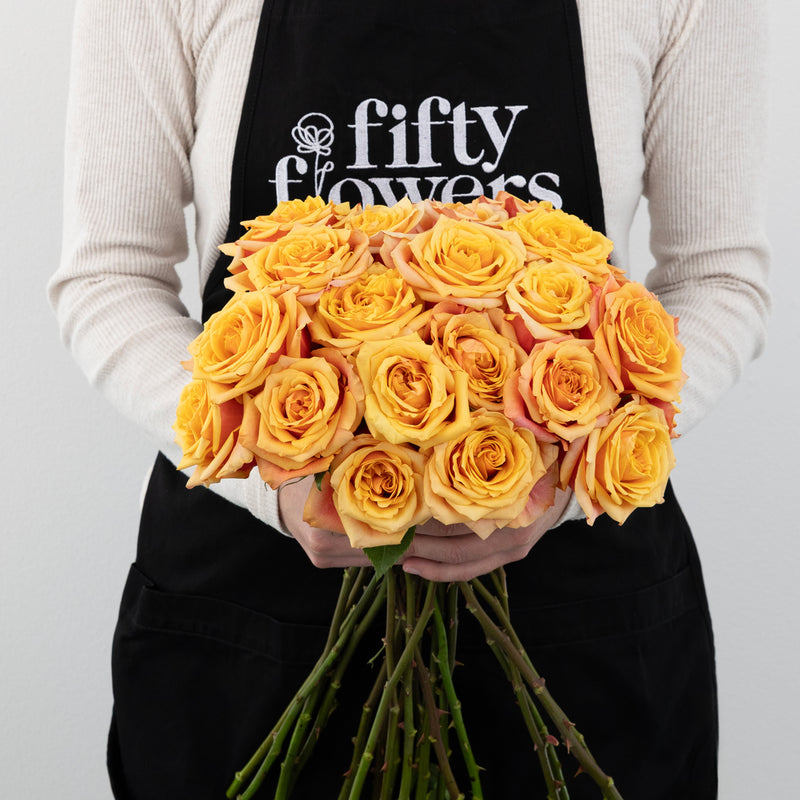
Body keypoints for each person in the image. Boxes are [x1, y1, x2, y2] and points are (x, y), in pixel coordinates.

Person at [50, 0, 770, 797]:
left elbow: (718, 280)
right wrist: (274, 486)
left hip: (577, 620)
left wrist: (554, 487)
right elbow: (109, 278)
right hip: (250, 612)